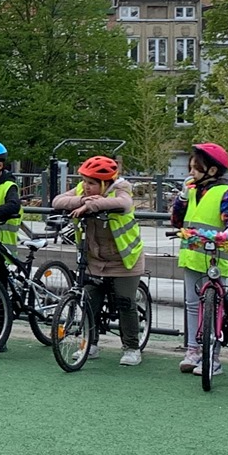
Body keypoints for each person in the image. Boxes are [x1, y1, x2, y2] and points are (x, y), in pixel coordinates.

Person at [51, 155, 147, 366]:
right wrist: (83, 201)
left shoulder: (122, 188)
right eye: (85, 181)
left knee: (125, 301)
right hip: (94, 260)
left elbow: (123, 203)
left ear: (106, 183)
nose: (86, 186)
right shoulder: (81, 191)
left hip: (124, 260)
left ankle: (131, 347)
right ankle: (89, 344)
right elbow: (57, 201)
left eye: (92, 183)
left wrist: (93, 206)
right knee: (89, 300)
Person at [170, 142, 228, 375]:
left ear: (212, 171)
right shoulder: (192, 190)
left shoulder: (226, 192)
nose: (190, 173)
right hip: (192, 255)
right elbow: (177, 221)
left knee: (214, 307)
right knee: (193, 305)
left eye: (195, 168)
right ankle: (193, 350)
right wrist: (181, 198)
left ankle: (213, 357)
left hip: (215, 255)